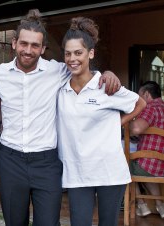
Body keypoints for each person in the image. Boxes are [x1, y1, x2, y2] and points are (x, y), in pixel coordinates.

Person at [0, 10, 122, 226]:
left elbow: (82, 67)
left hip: (47, 163)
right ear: (14, 43)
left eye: (35, 46)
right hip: (11, 160)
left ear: (42, 49)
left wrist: (106, 73)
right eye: (24, 43)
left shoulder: (57, 71)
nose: (28, 50)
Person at [57, 17, 146, 226]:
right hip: (77, 171)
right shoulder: (60, 85)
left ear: (91, 53)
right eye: (68, 53)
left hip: (109, 171)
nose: (72, 59)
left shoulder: (106, 85)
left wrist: (116, 122)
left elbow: (140, 103)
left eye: (78, 53)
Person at [130, 81, 164, 218]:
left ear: (146, 94)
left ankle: (141, 204)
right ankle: (161, 206)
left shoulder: (151, 108)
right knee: (147, 167)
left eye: (139, 96)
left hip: (149, 165)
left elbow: (136, 128)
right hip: (160, 166)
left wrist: (127, 122)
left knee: (122, 164)